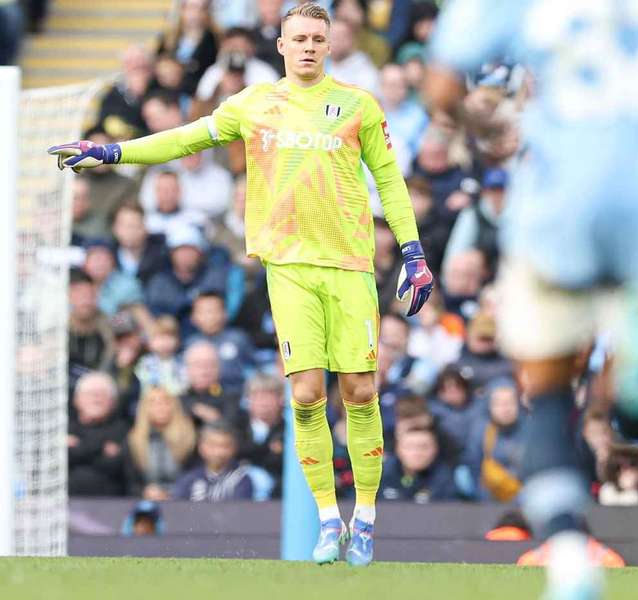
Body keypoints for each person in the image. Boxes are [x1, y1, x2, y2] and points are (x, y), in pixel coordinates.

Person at [49, 2, 432, 567]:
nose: (306, 46)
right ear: (280, 46)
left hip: (350, 265)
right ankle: (329, 520)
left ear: (328, 46)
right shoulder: (253, 105)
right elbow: (184, 140)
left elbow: (390, 183)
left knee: (359, 391)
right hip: (287, 266)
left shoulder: (357, 104)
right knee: (304, 394)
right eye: (297, 37)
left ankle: (366, 519)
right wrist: (111, 151)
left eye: (316, 39)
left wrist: (413, 252)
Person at [427, 1, 638, 594]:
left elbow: (444, 82)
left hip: (565, 196)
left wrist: (488, 129)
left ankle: (567, 545)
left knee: (547, 387)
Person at [125, 386, 197, 499]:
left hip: (183, 500)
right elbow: (128, 481)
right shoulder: (134, 439)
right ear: (144, 408)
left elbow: (195, 475)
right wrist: (143, 492)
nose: (160, 407)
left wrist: (174, 493)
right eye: (153, 403)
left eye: (166, 402)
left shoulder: (189, 436)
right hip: (145, 501)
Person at [462, 378, 527, 502]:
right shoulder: (480, 430)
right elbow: (474, 468)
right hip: (489, 497)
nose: (505, 409)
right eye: (498, 403)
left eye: (510, 402)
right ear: (489, 406)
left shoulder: (530, 428)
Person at [68, 372, 129, 496]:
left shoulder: (122, 429)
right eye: (90, 393)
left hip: (110, 503)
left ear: (113, 402)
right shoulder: (65, 427)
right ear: (76, 400)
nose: (96, 397)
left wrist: (79, 447)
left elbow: (115, 465)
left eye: (102, 393)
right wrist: (101, 446)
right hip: (67, 503)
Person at [186, 291, 257, 392]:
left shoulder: (238, 339)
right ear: (193, 317)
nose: (209, 316)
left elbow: (253, 368)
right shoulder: (190, 343)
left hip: (235, 394)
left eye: (213, 311)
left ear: (225, 313)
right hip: (200, 396)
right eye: (203, 312)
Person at [172, 421, 254, 501]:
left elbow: (239, 511)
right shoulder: (189, 479)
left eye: (225, 446)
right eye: (212, 445)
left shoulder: (241, 479)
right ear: (201, 447)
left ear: (234, 448)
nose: (218, 452)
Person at [379, 426, 459, 502]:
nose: (417, 453)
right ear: (398, 449)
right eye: (409, 447)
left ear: (435, 449)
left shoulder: (444, 478)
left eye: (423, 447)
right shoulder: (380, 473)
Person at [238, 373, 285, 497]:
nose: (263, 403)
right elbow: (236, 452)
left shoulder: (288, 428)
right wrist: (268, 449)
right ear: (247, 400)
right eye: (257, 397)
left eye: (269, 397)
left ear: (280, 399)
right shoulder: (238, 424)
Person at [179, 340, 242, 427]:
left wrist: (216, 419)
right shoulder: (178, 399)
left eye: (210, 365)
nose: (204, 371)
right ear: (187, 369)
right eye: (198, 365)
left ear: (219, 368)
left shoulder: (232, 398)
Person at [134, 315, 186, 396]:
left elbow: (184, 385)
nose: (165, 342)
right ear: (150, 342)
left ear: (177, 340)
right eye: (160, 337)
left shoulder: (182, 363)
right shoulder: (145, 363)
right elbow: (147, 386)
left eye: (170, 337)